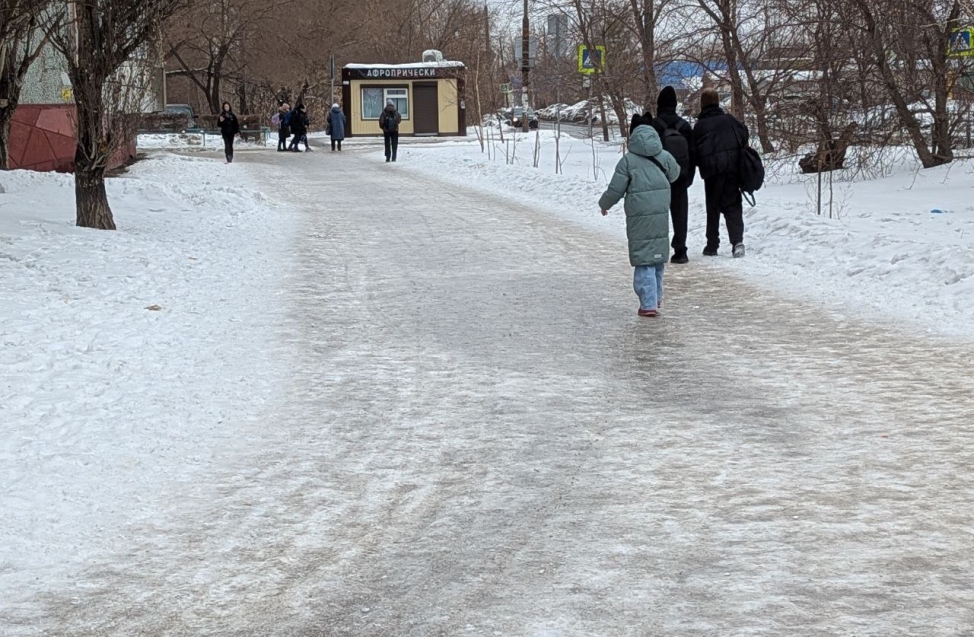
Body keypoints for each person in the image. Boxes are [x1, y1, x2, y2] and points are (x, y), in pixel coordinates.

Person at [599, 115, 680, 317]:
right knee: (657, 257)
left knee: (644, 258)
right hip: (660, 212)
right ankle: (657, 297)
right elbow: (676, 174)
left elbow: (616, 188)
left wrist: (604, 204)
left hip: (638, 216)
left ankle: (648, 304)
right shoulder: (664, 156)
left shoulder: (627, 161)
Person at [691, 88, 750, 258]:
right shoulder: (729, 120)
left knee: (713, 207)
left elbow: (694, 151)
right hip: (732, 168)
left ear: (702, 104)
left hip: (712, 172)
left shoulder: (700, 126)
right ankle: (737, 241)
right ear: (717, 102)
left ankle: (712, 244)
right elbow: (743, 135)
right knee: (733, 205)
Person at [650, 86, 695, 264]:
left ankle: (657, 250)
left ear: (659, 104)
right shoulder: (684, 126)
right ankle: (680, 250)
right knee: (680, 213)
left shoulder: (653, 125)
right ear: (675, 105)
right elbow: (692, 153)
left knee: (657, 214)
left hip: (658, 178)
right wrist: (688, 177)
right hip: (680, 177)